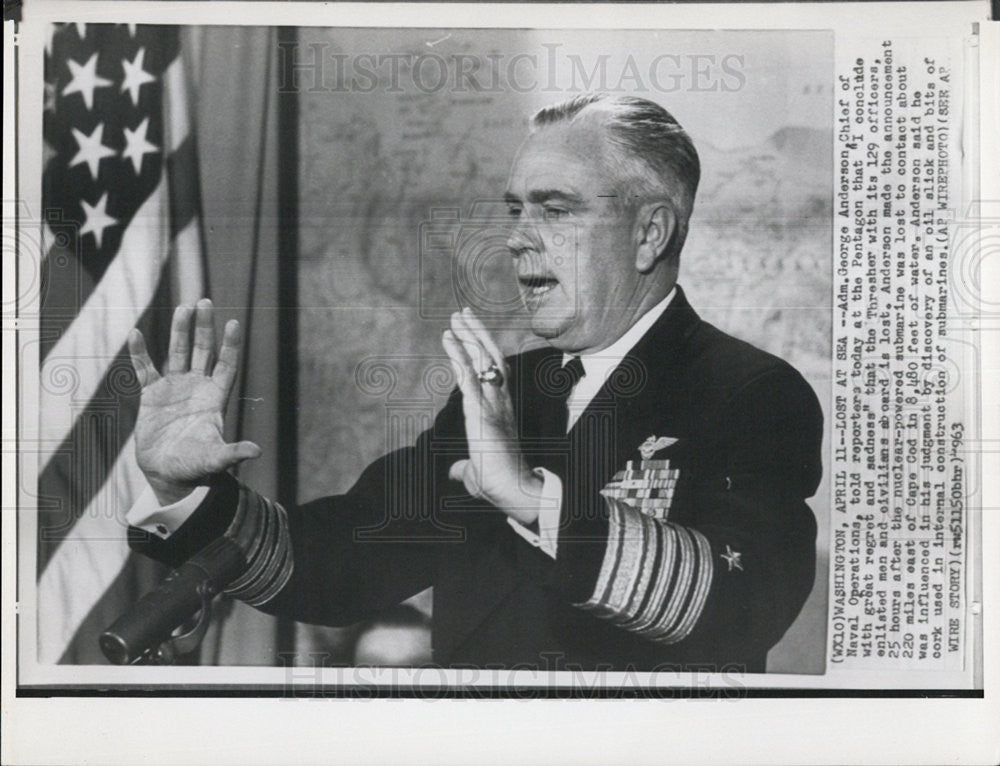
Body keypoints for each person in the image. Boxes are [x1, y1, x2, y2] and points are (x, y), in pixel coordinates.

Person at [126, 93, 823, 672]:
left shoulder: (750, 393)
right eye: (515, 209)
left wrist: (528, 499)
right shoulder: (504, 391)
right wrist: (187, 494)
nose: (518, 237)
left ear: (650, 233)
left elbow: (743, 605)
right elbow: (338, 564)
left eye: (555, 209)